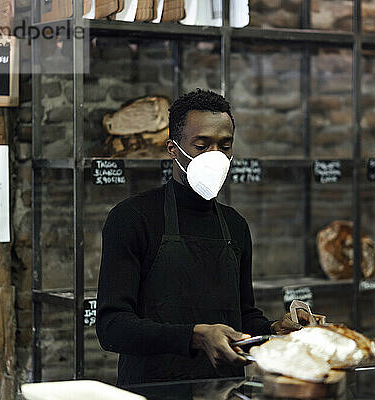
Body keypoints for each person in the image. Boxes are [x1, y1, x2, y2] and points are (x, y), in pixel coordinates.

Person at [96, 89, 307, 386]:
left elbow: (242, 315)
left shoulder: (235, 226)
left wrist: (274, 331)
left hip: (225, 389)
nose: (215, 156)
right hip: (154, 390)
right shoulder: (132, 218)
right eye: (201, 144)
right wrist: (196, 336)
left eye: (224, 145)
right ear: (173, 149)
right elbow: (112, 327)